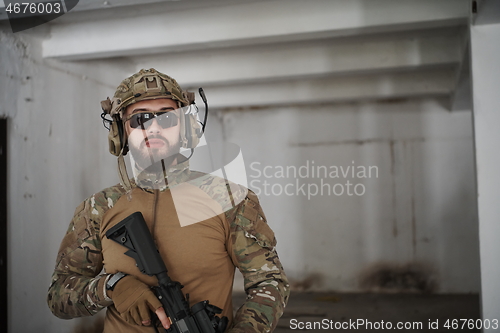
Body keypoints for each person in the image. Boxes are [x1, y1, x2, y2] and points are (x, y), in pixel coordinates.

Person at [47, 68, 289, 333]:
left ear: (186, 129)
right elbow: (59, 296)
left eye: (167, 118)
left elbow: (270, 282)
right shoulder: (97, 208)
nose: (153, 128)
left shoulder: (229, 200)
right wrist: (111, 286)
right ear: (121, 131)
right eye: (140, 119)